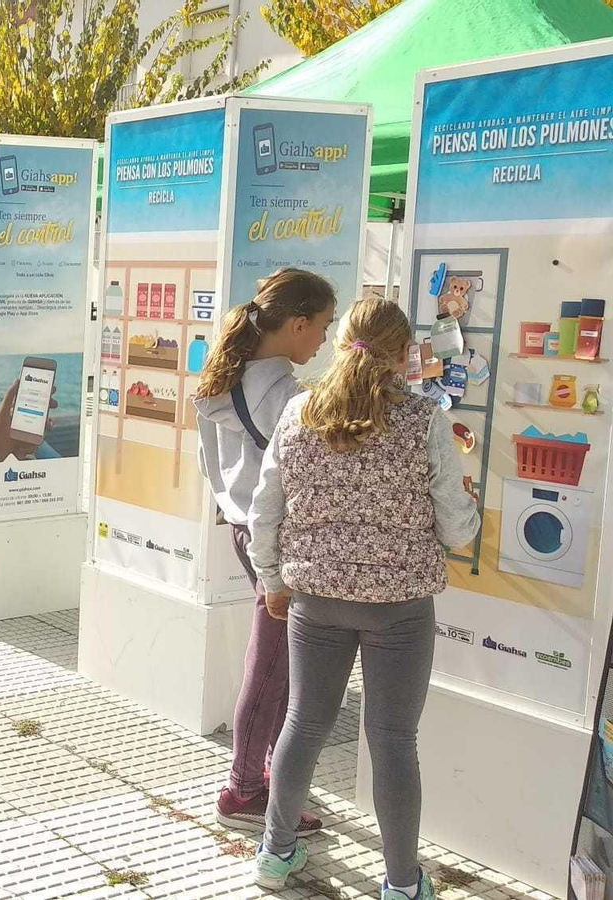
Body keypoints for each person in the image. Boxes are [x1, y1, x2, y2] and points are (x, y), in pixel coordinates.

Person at [247, 299, 480, 900]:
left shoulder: (299, 413)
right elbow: (457, 531)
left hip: (315, 601)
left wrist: (273, 581)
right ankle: (403, 884)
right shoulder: (424, 420)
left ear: (340, 343)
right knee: (394, 741)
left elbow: (265, 510)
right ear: (404, 356)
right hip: (399, 609)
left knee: (303, 723)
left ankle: (274, 855)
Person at [190, 268, 335, 837]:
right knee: (273, 668)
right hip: (279, 539)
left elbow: (211, 465)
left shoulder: (221, 381)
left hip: (243, 528)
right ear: (297, 324)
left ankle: (268, 777)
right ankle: (244, 789)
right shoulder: (288, 396)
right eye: (322, 327)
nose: (324, 340)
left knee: (276, 665)